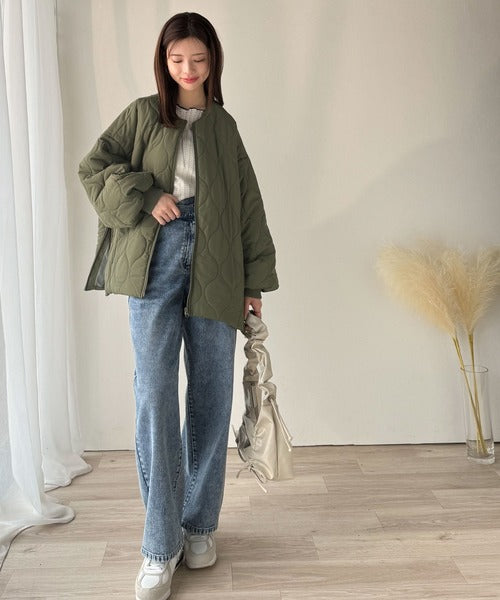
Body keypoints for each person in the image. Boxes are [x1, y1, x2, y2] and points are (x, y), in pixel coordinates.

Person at [78, 11, 278, 600]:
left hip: (217, 262)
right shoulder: (143, 114)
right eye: (176, 59)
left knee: (211, 395)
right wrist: (147, 195)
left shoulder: (224, 125)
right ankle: (158, 545)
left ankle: (198, 526)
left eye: (198, 58)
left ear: (213, 62)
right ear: (163, 63)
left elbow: (247, 204)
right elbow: (94, 168)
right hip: (154, 260)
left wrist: (253, 282)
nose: (187, 69)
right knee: (155, 396)